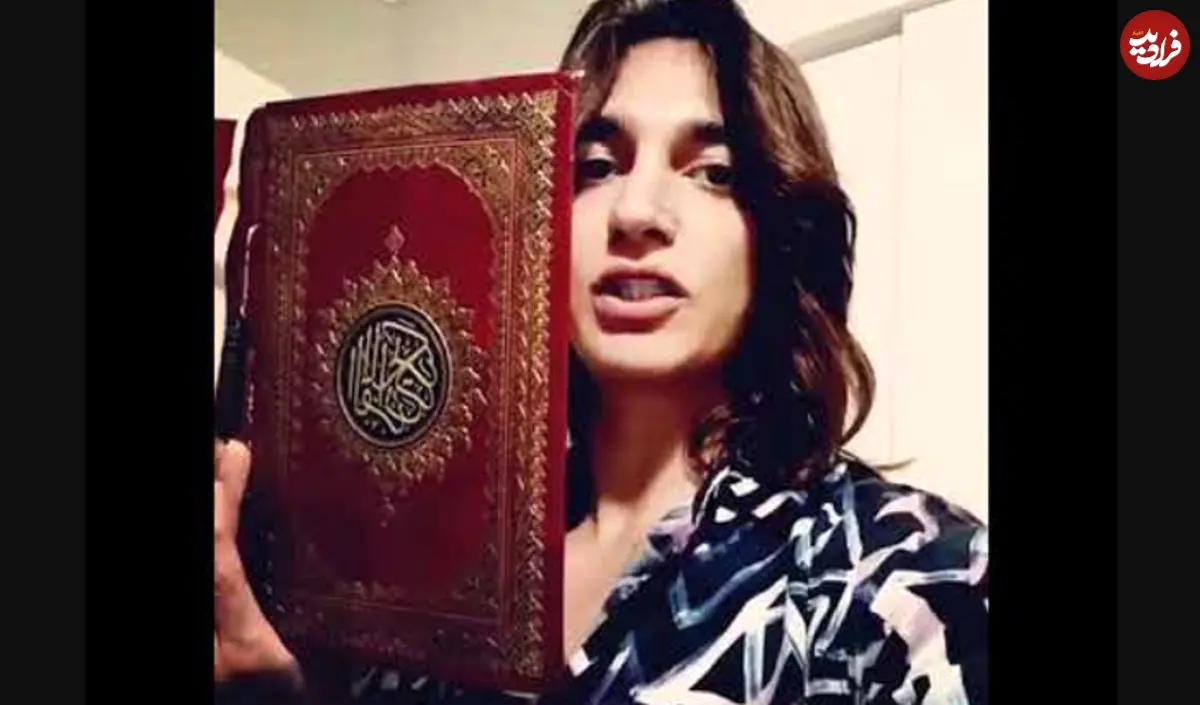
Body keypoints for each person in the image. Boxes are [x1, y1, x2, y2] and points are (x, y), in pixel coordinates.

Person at [214, 0, 989, 702]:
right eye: (596, 167)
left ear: (780, 235)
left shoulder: (903, 574)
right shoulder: (430, 573)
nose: (637, 212)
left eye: (713, 173)